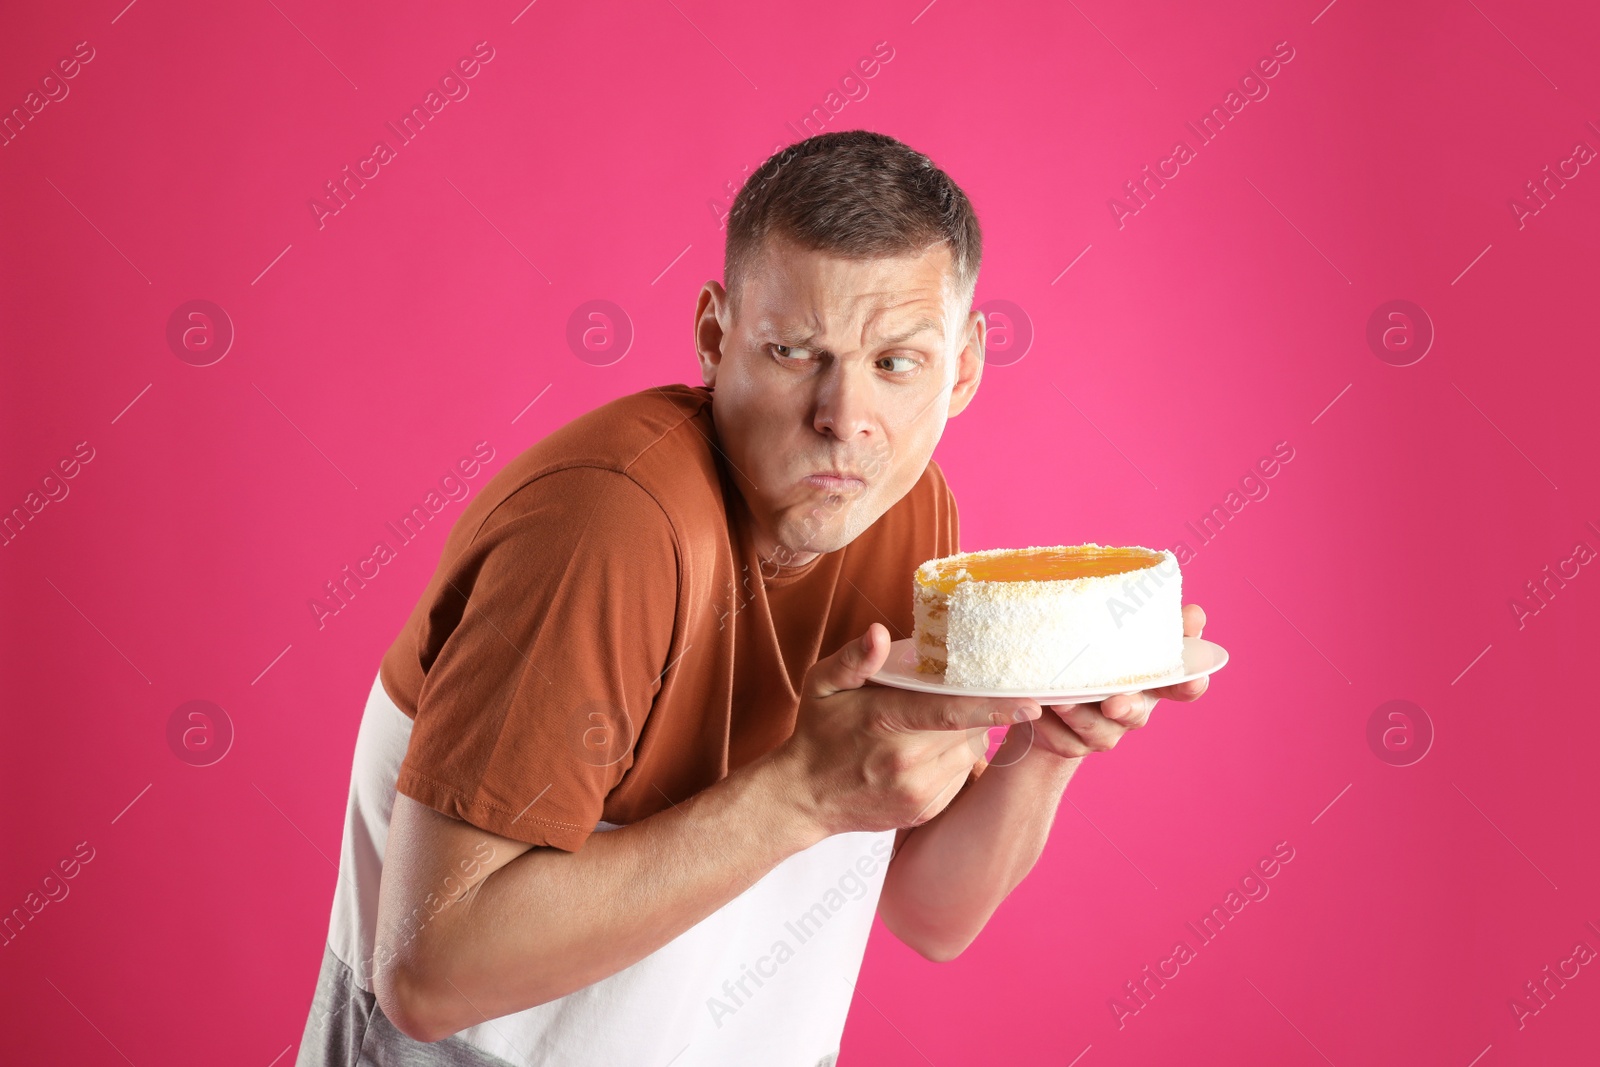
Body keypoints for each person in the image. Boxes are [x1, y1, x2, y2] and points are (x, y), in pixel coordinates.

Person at [294, 129, 1210, 1067]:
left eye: (896, 362)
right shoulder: (606, 525)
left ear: (964, 366)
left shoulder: (908, 509)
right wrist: (803, 792)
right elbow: (428, 973)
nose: (844, 417)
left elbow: (931, 911)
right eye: (791, 350)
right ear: (713, 334)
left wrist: (1045, 745)